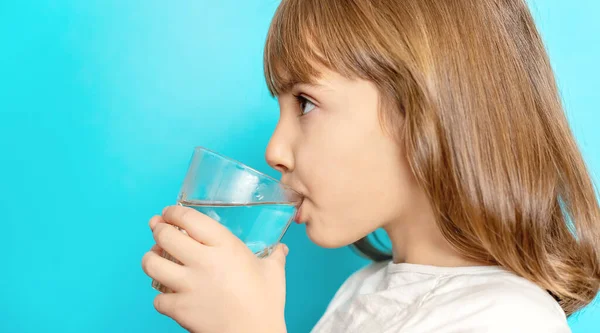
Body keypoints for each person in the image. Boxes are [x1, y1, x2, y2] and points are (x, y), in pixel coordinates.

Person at [141, 0, 600, 332]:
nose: (274, 148)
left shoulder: (507, 320)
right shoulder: (364, 291)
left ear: (426, 111)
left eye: (304, 103)